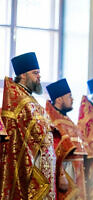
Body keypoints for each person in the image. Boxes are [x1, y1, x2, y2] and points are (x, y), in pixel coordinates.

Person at [0, 52, 57, 199]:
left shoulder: (28, 98)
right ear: (23, 75)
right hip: (32, 165)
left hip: (42, 164)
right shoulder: (19, 99)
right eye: (35, 73)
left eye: (39, 73)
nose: (39, 77)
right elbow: (34, 132)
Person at [45, 78, 87, 200]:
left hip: (77, 170)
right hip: (65, 169)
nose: (72, 99)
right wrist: (61, 174)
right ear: (59, 99)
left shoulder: (66, 118)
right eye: (69, 96)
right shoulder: (52, 120)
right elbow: (53, 150)